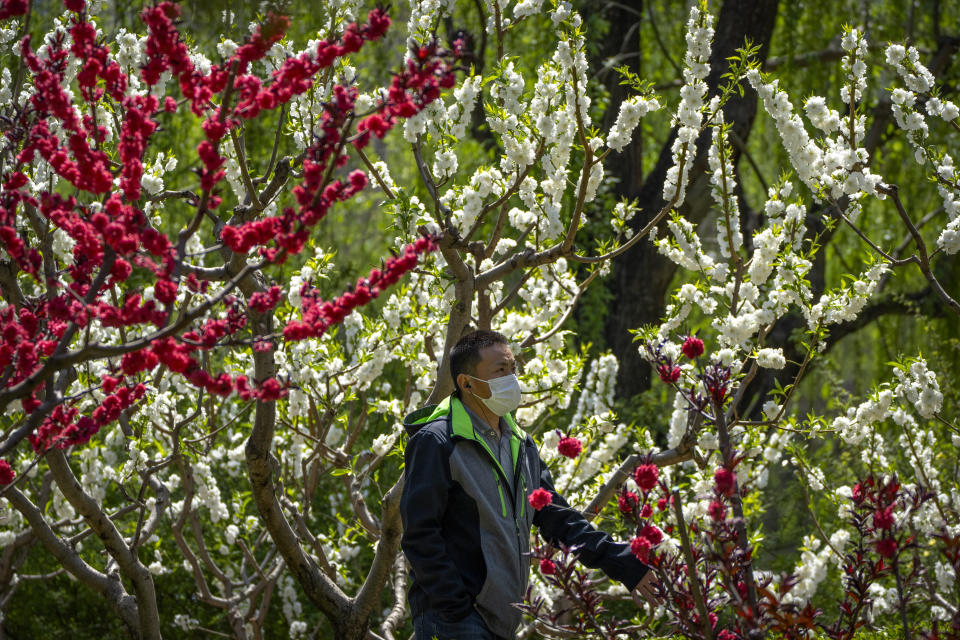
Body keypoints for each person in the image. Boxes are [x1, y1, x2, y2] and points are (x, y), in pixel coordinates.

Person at [400, 329, 656, 640]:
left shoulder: (521, 444)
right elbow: (419, 535)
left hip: (502, 620)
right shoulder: (438, 441)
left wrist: (623, 562)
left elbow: (557, 519)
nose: (511, 378)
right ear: (466, 383)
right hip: (457, 621)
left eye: (513, 368)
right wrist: (455, 606)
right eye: (500, 370)